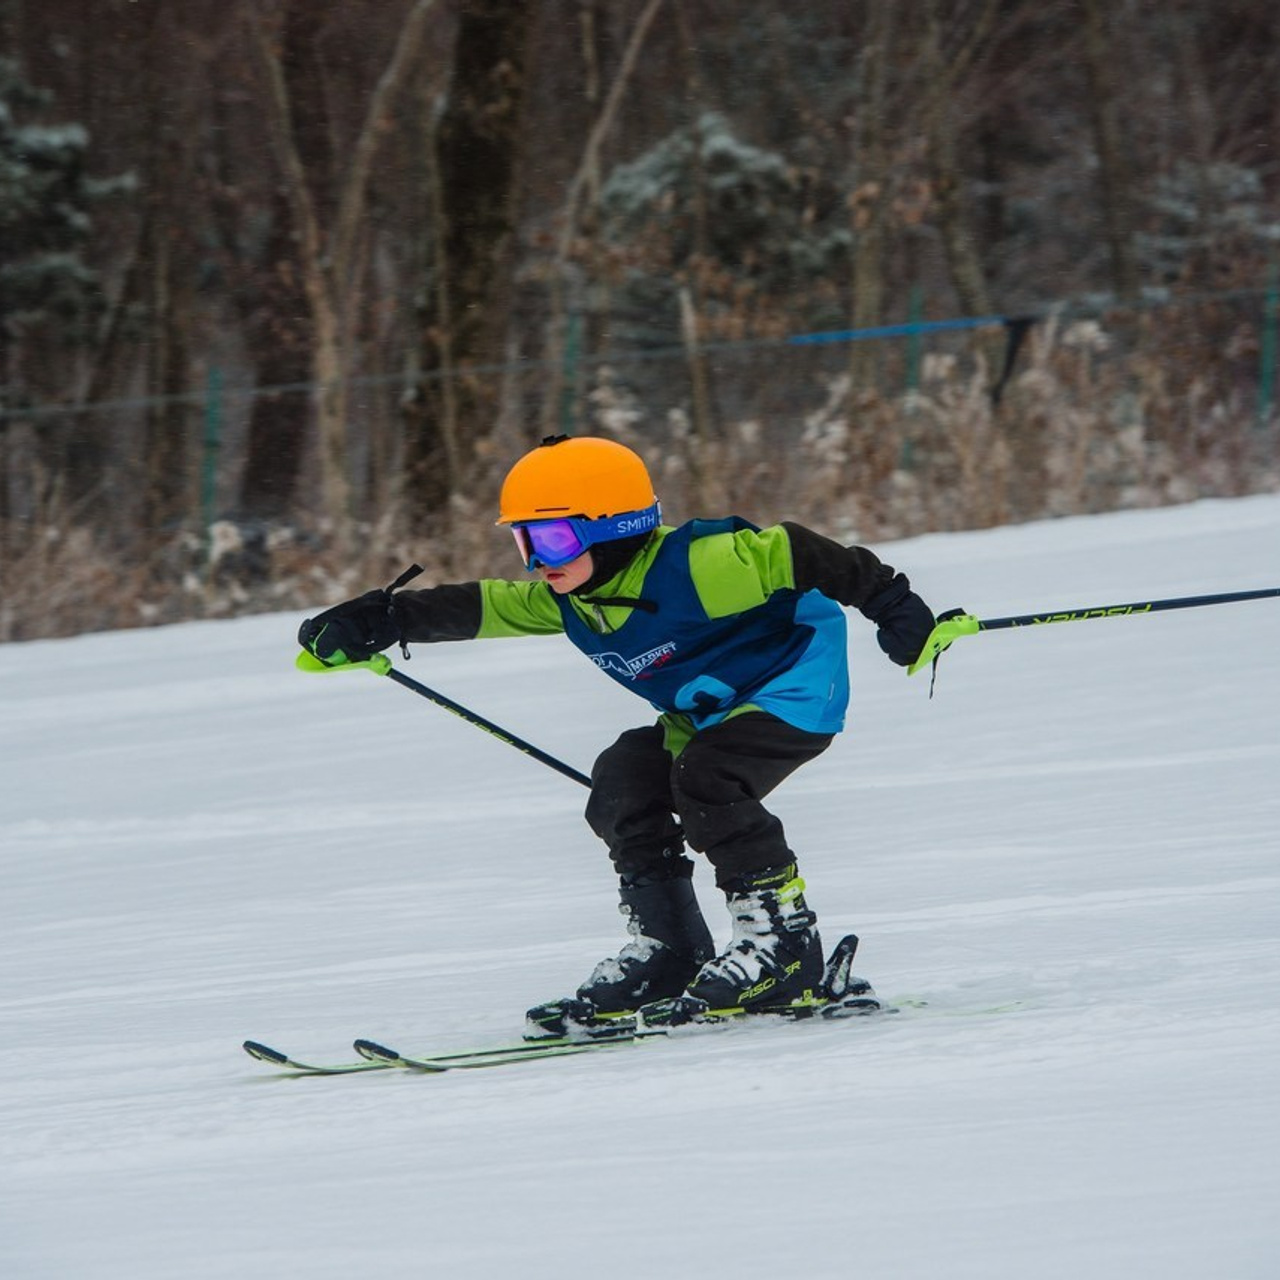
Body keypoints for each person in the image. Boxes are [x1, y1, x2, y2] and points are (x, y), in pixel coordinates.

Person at [298, 434, 935, 1027]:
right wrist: (384, 618)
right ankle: (670, 951)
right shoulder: (572, 598)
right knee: (622, 782)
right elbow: (483, 605)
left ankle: (782, 948)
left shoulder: (697, 568)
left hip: (792, 689)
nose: (537, 562)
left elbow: (800, 551)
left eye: (551, 540)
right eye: (525, 543)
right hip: (703, 716)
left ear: (616, 528)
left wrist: (893, 605)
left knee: (708, 780)